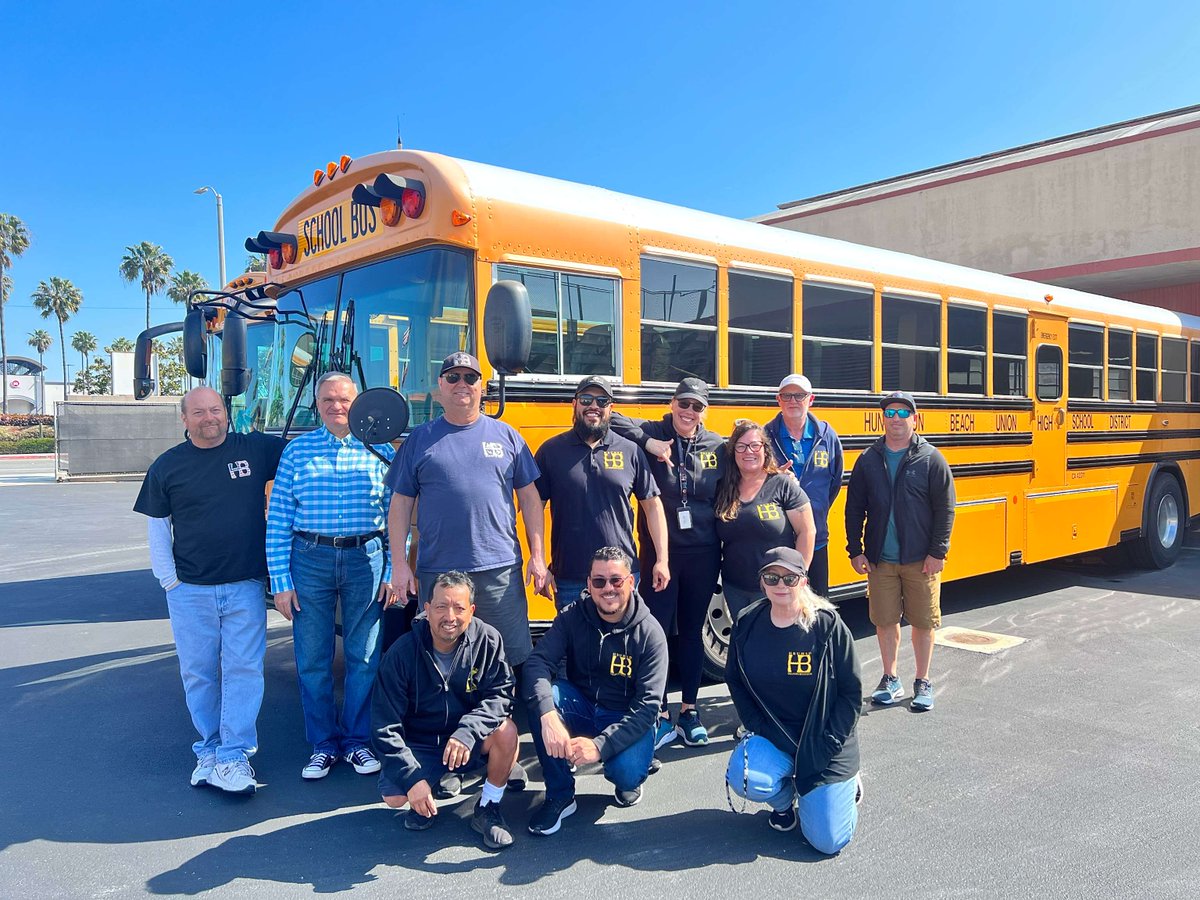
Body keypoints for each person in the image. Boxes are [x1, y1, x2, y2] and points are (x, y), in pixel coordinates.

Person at [133, 386, 285, 794]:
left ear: (226, 412)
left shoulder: (254, 449)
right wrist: (170, 581)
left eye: (215, 410)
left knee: (243, 671)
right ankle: (210, 750)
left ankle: (234, 755)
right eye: (198, 412)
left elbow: (303, 452)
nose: (209, 418)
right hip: (190, 591)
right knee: (198, 674)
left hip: (244, 587)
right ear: (184, 419)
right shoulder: (168, 467)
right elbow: (157, 528)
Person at [266, 372, 400, 780]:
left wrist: (393, 568)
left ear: (357, 403)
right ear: (317, 404)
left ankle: (357, 741)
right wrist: (280, 582)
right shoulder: (297, 451)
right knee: (312, 658)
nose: (336, 406)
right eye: (327, 400)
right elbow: (279, 519)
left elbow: (397, 517)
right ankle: (323, 744)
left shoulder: (382, 451)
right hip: (310, 558)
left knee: (363, 655)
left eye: (344, 399)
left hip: (367, 558)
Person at [387, 352, 548, 671]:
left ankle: (507, 721)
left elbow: (530, 499)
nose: (462, 384)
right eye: (453, 377)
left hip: (499, 569)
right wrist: (399, 565)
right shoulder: (420, 439)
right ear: (440, 386)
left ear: (481, 387)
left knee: (509, 657)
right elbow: (400, 504)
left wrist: (538, 556)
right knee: (439, 659)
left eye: (470, 377)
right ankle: (446, 722)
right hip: (438, 570)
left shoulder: (508, 437)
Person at [609, 377, 726, 748]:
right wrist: (649, 442)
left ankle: (690, 710)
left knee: (691, 631)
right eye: (684, 404)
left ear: (705, 411)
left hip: (703, 552)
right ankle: (658, 711)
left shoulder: (716, 445)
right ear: (672, 403)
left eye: (697, 406)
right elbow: (611, 419)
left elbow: (746, 470)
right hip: (660, 553)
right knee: (655, 632)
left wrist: (778, 475)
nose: (689, 412)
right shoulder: (652, 431)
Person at [724, 547, 862, 854]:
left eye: (790, 577)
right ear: (762, 582)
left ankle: (844, 787)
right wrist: (757, 726)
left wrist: (827, 745)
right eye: (772, 577)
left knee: (828, 842)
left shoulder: (827, 626)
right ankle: (784, 804)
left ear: (803, 581)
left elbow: (851, 695)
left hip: (825, 743)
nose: (781, 585)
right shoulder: (748, 623)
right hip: (776, 736)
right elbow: (734, 678)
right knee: (745, 778)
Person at [524, 547, 668, 835]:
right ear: (588, 585)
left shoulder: (651, 634)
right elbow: (537, 663)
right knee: (544, 698)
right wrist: (549, 716)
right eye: (599, 581)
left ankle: (630, 776)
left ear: (631, 582)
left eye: (616, 580)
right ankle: (560, 794)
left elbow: (647, 708)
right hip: (584, 706)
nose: (608, 589)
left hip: (625, 716)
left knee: (625, 773)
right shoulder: (572, 616)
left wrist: (599, 746)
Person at [372, 571, 521, 850]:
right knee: (394, 797)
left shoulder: (488, 640)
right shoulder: (402, 653)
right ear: (427, 609)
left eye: (459, 608)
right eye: (441, 606)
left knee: (506, 732)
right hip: (424, 743)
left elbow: (502, 695)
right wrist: (412, 778)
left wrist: (468, 730)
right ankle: (435, 780)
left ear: (472, 610)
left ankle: (488, 807)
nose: (449, 616)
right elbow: (384, 726)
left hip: (469, 739)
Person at [844, 390, 955, 712]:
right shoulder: (868, 459)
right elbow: (855, 509)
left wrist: (938, 552)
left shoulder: (931, 458)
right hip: (881, 560)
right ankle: (890, 677)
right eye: (890, 413)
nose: (896, 419)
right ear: (883, 419)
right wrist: (856, 550)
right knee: (885, 620)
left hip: (921, 559)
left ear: (915, 419)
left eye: (903, 413)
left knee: (923, 622)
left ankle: (923, 680)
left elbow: (945, 509)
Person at [534, 375, 670, 609]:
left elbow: (653, 506)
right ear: (574, 404)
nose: (593, 406)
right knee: (576, 645)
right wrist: (538, 560)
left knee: (622, 643)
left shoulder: (630, 451)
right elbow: (533, 506)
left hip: (621, 575)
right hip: (570, 576)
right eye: (586, 399)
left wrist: (662, 560)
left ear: (611, 408)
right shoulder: (551, 451)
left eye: (602, 401)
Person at [715, 420, 817, 619]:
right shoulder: (723, 488)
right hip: (735, 587)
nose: (748, 452)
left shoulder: (782, 484)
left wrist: (796, 577)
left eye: (755, 445)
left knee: (777, 644)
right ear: (733, 452)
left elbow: (807, 531)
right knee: (745, 643)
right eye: (741, 446)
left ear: (765, 449)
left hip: (777, 587)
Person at [763, 374, 844, 597]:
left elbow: (834, 482)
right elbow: (751, 482)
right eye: (787, 395)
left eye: (799, 395)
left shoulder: (826, 436)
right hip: (777, 542)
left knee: (817, 606)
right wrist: (772, 478)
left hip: (816, 539)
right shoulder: (764, 437)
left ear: (811, 399)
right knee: (779, 606)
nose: (793, 401)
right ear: (778, 400)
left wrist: (813, 510)